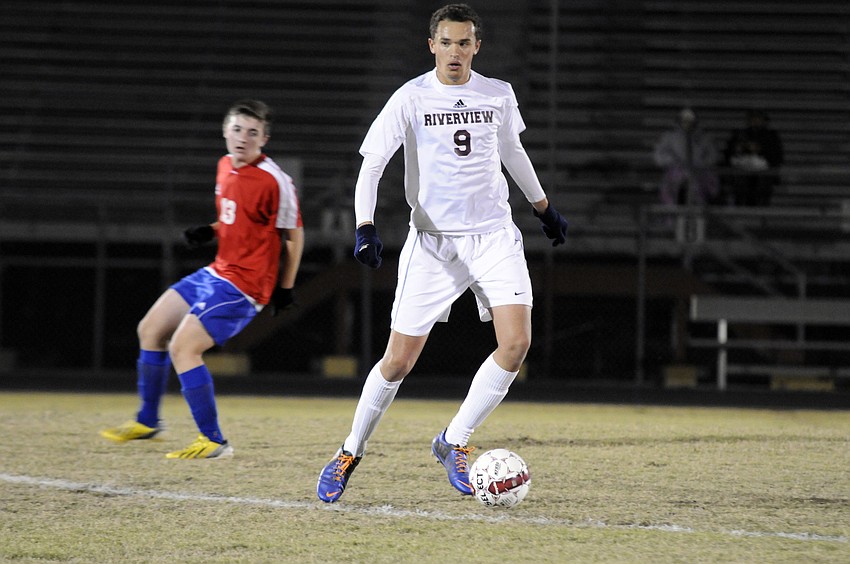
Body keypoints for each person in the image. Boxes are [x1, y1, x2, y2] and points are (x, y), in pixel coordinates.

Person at [316, 3, 568, 503]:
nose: (455, 51)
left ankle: (454, 440)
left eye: (464, 42)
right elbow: (372, 165)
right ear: (432, 45)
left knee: (515, 344)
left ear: (477, 46)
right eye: (447, 42)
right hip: (434, 243)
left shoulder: (498, 94)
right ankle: (350, 450)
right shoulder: (410, 97)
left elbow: (513, 152)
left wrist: (543, 207)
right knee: (397, 361)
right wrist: (364, 226)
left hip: (494, 236)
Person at [100, 99, 304, 459]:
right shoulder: (225, 166)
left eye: (252, 132)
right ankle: (148, 421)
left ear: (264, 139)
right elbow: (237, 219)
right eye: (237, 129)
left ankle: (214, 441)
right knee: (150, 329)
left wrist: (285, 288)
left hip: (245, 284)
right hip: (217, 271)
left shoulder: (275, 180)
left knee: (183, 348)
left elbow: (294, 235)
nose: (243, 138)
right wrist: (211, 230)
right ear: (225, 131)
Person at [652, 107, 720, 206]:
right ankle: (674, 208)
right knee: (674, 182)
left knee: (700, 182)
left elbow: (713, 156)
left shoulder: (704, 138)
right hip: (675, 172)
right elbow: (659, 156)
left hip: (698, 171)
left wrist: (700, 163)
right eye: (684, 121)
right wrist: (674, 161)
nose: (687, 124)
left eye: (690, 121)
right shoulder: (669, 137)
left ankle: (698, 207)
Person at [723, 109, 784, 206]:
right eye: (753, 118)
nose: (755, 121)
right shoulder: (740, 134)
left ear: (764, 121)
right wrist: (740, 149)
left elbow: (776, 156)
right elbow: (729, 153)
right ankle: (741, 206)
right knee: (739, 181)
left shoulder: (771, 136)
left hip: (763, 170)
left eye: (758, 118)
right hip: (743, 168)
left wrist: (760, 150)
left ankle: (761, 207)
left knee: (763, 184)